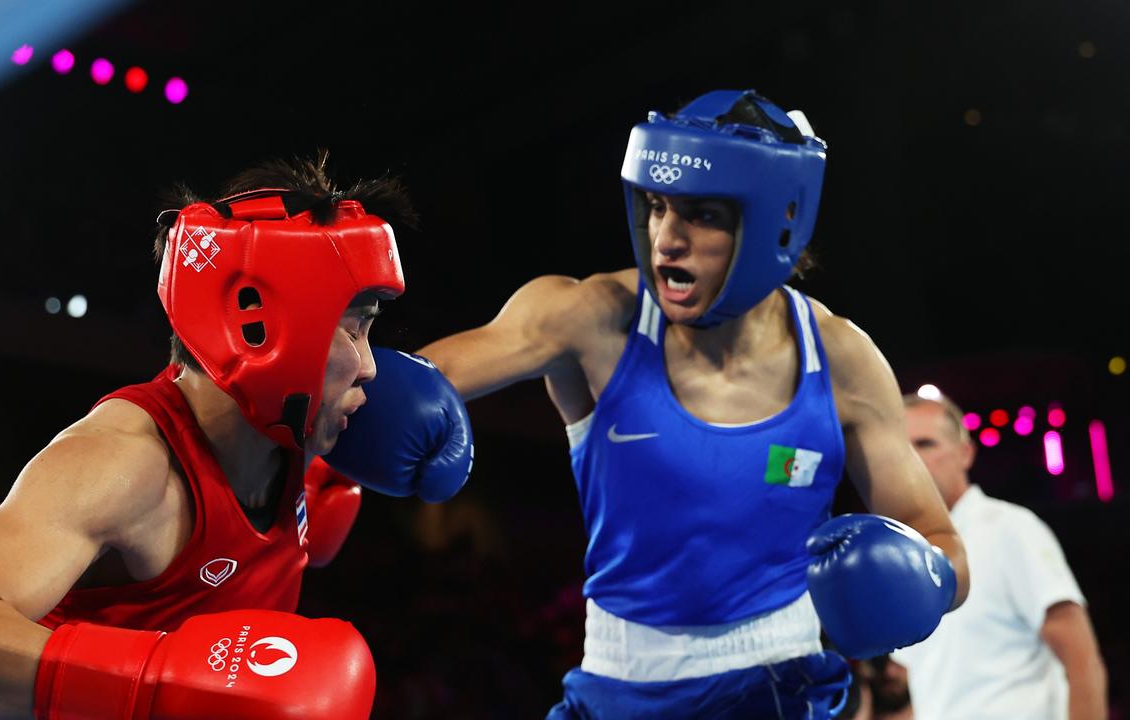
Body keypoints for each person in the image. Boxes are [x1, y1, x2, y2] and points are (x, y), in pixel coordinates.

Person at [350, 90, 972, 717]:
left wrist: (924, 581)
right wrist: (361, 409)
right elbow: (390, 384)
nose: (665, 239)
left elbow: (939, 538)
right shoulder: (589, 319)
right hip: (616, 683)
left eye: (700, 214)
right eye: (655, 207)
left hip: (782, 685)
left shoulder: (839, 358)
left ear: (775, 223)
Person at [0, 154, 474, 720]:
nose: (373, 368)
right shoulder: (124, 464)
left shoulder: (308, 423)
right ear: (262, 328)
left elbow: (492, 352)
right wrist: (163, 682)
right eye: (355, 327)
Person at [893, 392, 1108, 719]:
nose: (914, 458)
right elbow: (934, 690)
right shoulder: (905, 556)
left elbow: (1082, 662)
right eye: (903, 448)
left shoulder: (1009, 529)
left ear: (965, 453)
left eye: (926, 444)